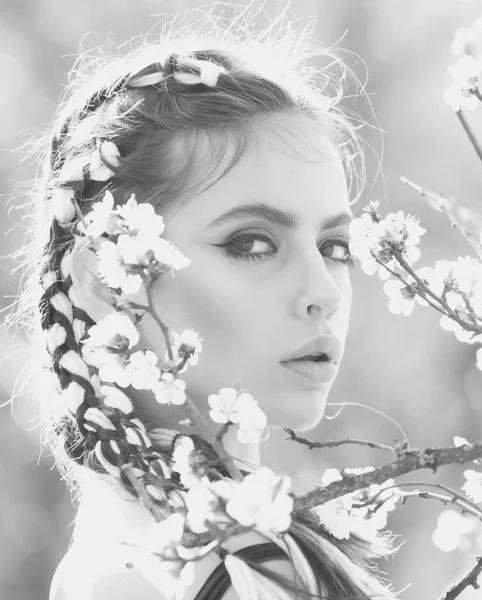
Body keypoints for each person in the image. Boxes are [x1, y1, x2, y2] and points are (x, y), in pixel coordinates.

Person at [14, 5, 400, 599]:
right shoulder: (145, 581)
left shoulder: (242, 555)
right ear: (106, 277)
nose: (323, 290)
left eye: (334, 246)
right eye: (252, 243)